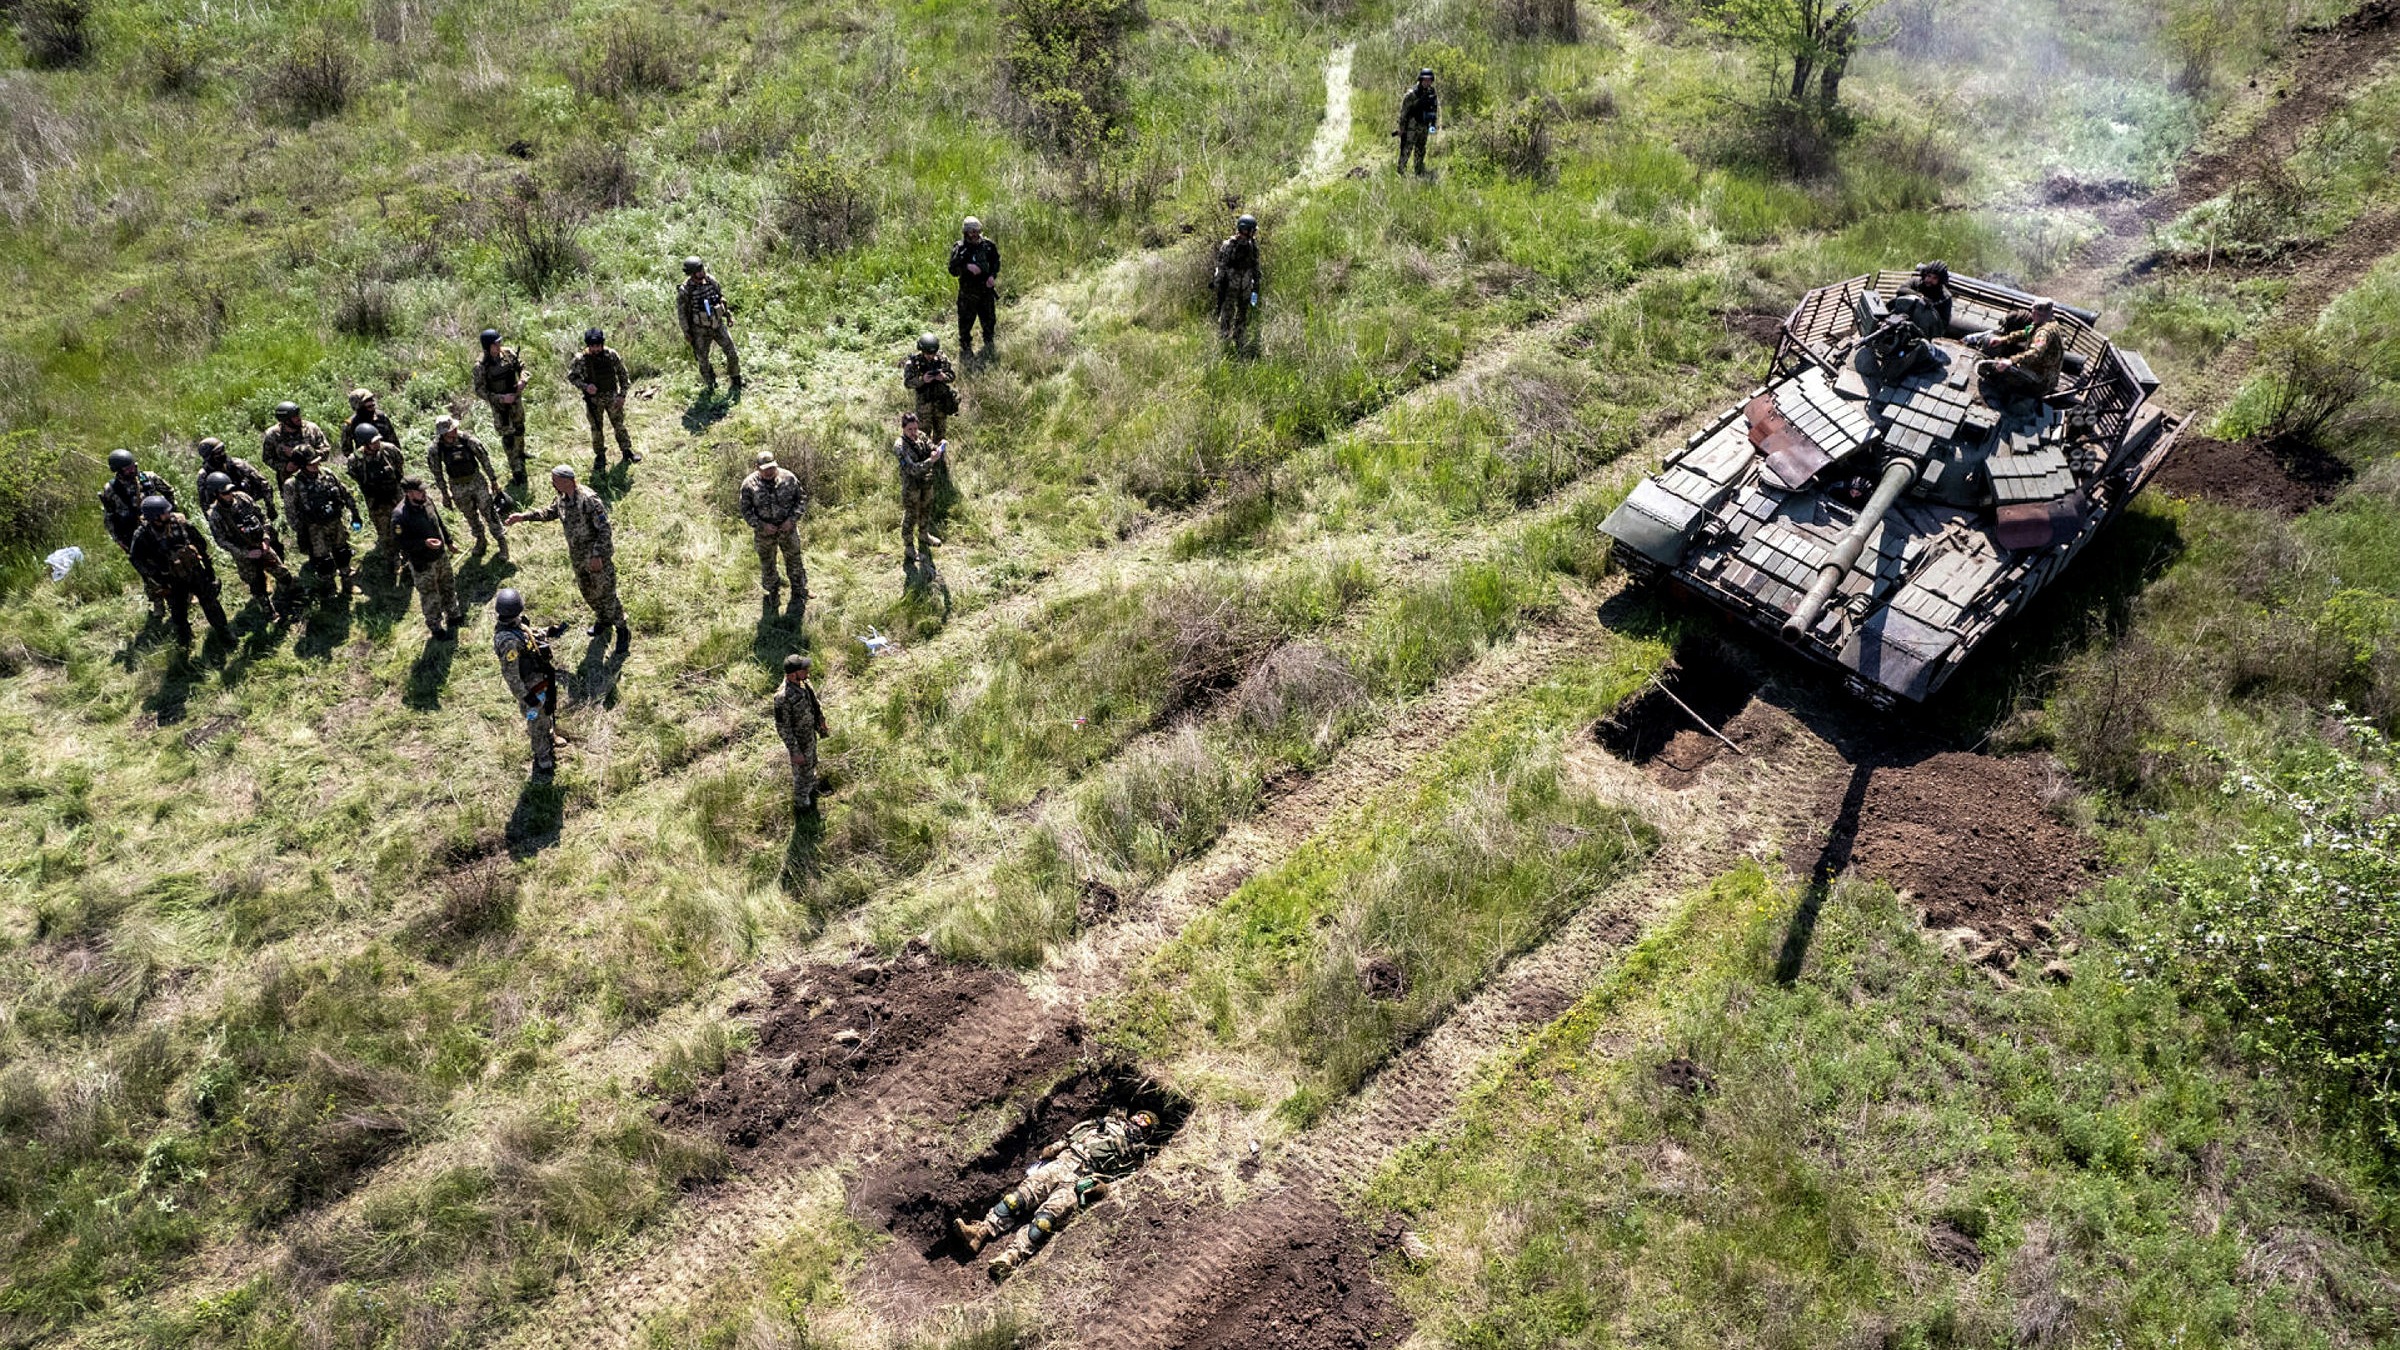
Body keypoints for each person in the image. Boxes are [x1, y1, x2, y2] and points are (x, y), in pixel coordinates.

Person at [952, 1109, 1159, 1281]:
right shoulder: (1104, 1123)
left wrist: (1101, 1188)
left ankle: (1010, 1257)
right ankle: (980, 1232)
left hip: (1081, 1180)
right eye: (1140, 1115)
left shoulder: (1135, 1157)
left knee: (1044, 1223)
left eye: (1146, 1121)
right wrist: (1053, 1148)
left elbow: (1121, 1184)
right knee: (1016, 1199)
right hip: (1063, 1162)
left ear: (1148, 1131)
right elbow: (1072, 1136)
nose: (1140, 1119)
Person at [507, 464, 628, 644]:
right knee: (588, 592)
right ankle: (603, 620)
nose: (552, 483)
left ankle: (622, 630)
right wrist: (523, 517)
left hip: (596, 557)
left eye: (555, 480)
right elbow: (549, 512)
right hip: (578, 557)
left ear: (566, 481)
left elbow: (604, 530)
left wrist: (597, 556)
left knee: (606, 593)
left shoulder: (588, 500)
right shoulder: (562, 497)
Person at [128, 495, 232, 646]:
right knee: (178, 613)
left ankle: (224, 633)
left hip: (194, 571)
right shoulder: (142, 535)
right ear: (155, 517)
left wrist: (208, 567)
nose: (169, 514)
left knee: (210, 603)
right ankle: (185, 641)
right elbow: (135, 559)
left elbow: (199, 542)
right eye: (164, 513)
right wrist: (155, 575)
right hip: (171, 580)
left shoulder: (179, 522)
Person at [492, 588, 568, 779]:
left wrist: (550, 631)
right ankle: (542, 755)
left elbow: (529, 635)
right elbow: (511, 675)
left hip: (541, 679)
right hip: (530, 688)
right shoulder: (507, 641)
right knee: (535, 720)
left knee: (547, 711)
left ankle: (550, 735)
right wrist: (527, 698)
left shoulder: (516, 624)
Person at [204, 471, 297, 622]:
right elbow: (221, 541)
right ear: (216, 494)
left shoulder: (243, 498)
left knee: (282, 572)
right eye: (225, 492)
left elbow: (262, 517)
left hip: (261, 545)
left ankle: (292, 596)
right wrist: (245, 553)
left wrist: (266, 539)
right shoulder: (216, 515)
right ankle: (270, 613)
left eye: (230, 490)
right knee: (257, 585)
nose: (230, 494)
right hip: (244, 555)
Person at [427, 415, 511, 560]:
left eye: (454, 428)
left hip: (476, 481)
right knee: (470, 515)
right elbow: (437, 472)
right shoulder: (436, 449)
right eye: (451, 429)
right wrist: (445, 494)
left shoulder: (468, 440)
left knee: (489, 511)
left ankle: (501, 542)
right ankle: (480, 539)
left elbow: (484, 459)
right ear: (443, 433)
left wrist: (493, 480)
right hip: (457, 486)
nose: (455, 431)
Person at [282, 450, 363, 600]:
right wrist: (300, 531)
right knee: (323, 560)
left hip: (335, 521)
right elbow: (290, 511)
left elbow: (345, 492)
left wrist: (355, 513)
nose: (315, 466)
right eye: (311, 464)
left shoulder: (326, 473)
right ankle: (329, 586)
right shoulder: (292, 484)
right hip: (314, 528)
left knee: (343, 552)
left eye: (316, 462)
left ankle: (347, 582)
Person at [393, 477, 464, 639]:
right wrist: (424, 544)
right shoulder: (400, 516)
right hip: (422, 563)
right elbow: (401, 543)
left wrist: (449, 541)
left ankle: (454, 615)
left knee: (448, 585)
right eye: (420, 491)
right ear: (409, 493)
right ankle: (436, 627)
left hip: (440, 556)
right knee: (430, 596)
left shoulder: (427, 501)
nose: (424, 493)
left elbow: (438, 522)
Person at [739, 450, 809, 602]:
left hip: (788, 530)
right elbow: (745, 510)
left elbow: (801, 499)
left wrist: (792, 520)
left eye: (772, 467)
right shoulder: (749, 485)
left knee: (795, 560)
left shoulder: (789, 478)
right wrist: (761, 526)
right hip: (764, 534)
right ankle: (772, 592)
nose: (770, 472)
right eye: (766, 469)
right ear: (757, 468)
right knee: (767, 563)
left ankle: (800, 590)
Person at [569, 327, 640, 474]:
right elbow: (572, 377)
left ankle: (627, 451)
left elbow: (623, 374)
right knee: (596, 429)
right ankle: (600, 456)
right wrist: (586, 386)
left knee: (619, 425)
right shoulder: (580, 359)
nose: (596, 349)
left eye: (598, 345)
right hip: (594, 401)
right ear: (588, 345)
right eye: (592, 346)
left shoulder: (611, 355)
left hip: (612, 398)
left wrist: (622, 395)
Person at [1978, 297, 2067, 402]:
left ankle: (2005, 396)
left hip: (2041, 379)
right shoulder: (2048, 323)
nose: (2031, 314)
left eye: (2033, 311)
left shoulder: (2044, 333)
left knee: (2003, 369)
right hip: (2044, 372)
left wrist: (2010, 361)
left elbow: (2035, 353)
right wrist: (2003, 340)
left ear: (2038, 313)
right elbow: (2026, 333)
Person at [676, 257, 742, 393]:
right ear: (691, 274)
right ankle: (711, 383)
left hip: (717, 324)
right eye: (697, 272)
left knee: (732, 352)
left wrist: (728, 315)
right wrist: (687, 332)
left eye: (701, 269)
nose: (701, 273)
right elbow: (682, 314)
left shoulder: (711, 281)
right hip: (699, 330)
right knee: (703, 360)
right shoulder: (685, 291)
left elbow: (721, 299)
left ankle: (736, 379)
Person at [472, 328, 531, 481]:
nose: (499, 346)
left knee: (520, 428)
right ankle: (516, 469)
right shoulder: (481, 366)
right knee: (508, 437)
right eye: (496, 344)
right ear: (488, 346)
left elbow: (523, 367)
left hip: (515, 401)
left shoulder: (508, 353)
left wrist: (522, 381)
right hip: (500, 407)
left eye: (499, 342)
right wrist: (500, 398)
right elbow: (479, 390)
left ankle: (521, 454)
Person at [772, 653, 829, 811]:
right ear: (792, 674)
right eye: (803, 668)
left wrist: (821, 722)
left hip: (810, 736)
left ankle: (811, 789)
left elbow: (814, 703)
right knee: (801, 775)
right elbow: (783, 728)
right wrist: (795, 751)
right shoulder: (782, 697)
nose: (807, 669)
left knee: (811, 765)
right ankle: (802, 806)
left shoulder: (804, 683)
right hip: (799, 743)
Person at [890, 412, 944, 572]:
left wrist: (938, 448)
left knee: (926, 508)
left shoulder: (920, 435)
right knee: (911, 514)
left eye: (915, 428)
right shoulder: (900, 446)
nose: (914, 432)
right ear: (903, 429)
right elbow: (912, 469)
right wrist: (931, 460)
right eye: (909, 429)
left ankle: (923, 534)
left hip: (926, 482)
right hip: (911, 486)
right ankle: (909, 547)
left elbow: (930, 445)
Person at [98, 448, 175, 555]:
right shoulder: (111, 489)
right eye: (127, 469)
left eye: (133, 466)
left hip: (161, 524)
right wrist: (118, 540)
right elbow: (109, 517)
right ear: (118, 471)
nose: (132, 470)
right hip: (137, 533)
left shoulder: (149, 477)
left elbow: (169, 491)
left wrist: (171, 511)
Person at [346, 428, 408, 559]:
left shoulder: (389, 450)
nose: (377, 444)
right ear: (364, 443)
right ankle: (392, 558)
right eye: (373, 442)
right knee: (385, 532)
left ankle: (409, 554)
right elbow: (356, 477)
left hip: (395, 496)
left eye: (378, 440)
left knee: (405, 526)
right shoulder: (355, 460)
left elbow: (400, 464)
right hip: (376, 502)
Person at [947, 217, 1001, 359]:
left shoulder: (988, 246)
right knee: (965, 321)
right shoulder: (960, 248)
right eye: (970, 231)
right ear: (965, 232)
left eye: (976, 230)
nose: (974, 234)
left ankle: (988, 343)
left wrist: (992, 277)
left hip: (986, 291)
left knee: (989, 319)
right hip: (968, 293)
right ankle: (965, 347)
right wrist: (966, 267)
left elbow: (996, 262)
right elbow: (952, 269)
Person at [1212, 215, 1262, 349]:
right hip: (1230, 285)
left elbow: (1256, 266)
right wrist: (1218, 285)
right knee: (1227, 312)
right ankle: (1224, 340)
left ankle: (1239, 340)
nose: (1254, 233)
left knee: (1242, 313)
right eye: (1252, 230)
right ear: (1245, 230)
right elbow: (1221, 266)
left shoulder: (1253, 245)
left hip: (1245, 285)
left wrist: (1256, 286)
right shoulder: (1229, 245)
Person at [196, 438, 276, 519]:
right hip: (223, 508)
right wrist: (215, 522)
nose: (222, 453)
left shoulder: (236, 464)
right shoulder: (204, 476)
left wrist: (270, 507)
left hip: (246, 498)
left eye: (222, 449)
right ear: (209, 457)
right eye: (218, 452)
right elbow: (205, 505)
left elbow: (263, 483)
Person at [902, 333, 960, 441]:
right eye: (928, 354)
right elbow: (907, 383)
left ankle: (939, 455)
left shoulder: (942, 359)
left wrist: (943, 377)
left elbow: (952, 376)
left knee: (940, 434)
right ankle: (926, 456)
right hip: (924, 406)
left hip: (941, 403)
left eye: (933, 353)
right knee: (923, 436)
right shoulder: (914, 363)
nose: (931, 356)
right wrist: (922, 380)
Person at [260, 401, 333, 486]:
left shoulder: (311, 429)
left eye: (298, 414)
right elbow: (267, 458)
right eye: (294, 416)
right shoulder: (273, 435)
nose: (299, 418)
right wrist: (285, 467)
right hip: (289, 482)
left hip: (315, 477)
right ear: (286, 420)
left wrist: (304, 454)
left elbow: (326, 451)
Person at [1888, 260, 1954, 340]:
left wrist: (1930, 313)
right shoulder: (1916, 282)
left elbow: (1943, 324)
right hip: (1899, 318)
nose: (1929, 280)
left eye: (1934, 278)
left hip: (1922, 333)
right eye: (1928, 276)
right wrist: (1920, 297)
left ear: (1940, 280)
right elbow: (1901, 290)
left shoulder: (1945, 298)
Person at [1397, 68, 1438, 174]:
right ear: (1421, 79)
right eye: (1425, 79)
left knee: (1421, 149)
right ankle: (1401, 171)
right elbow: (1404, 112)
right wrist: (1402, 128)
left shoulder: (1432, 92)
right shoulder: (1412, 94)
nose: (1427, 82)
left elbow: (1434, 109)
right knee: (1407, 149)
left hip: (1424, 125)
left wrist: (1433, 125)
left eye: (1429, 80)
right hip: (1412, 125)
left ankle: (1418, 170)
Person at [342, 388, 398, 459]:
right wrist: (360, 459)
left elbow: (394, 442)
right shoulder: (350, 424)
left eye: (372, 404)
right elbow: (347, 450)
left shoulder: (381, 417)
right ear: (359, 407)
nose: (372, 407)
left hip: (386, 458)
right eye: (369, 406)